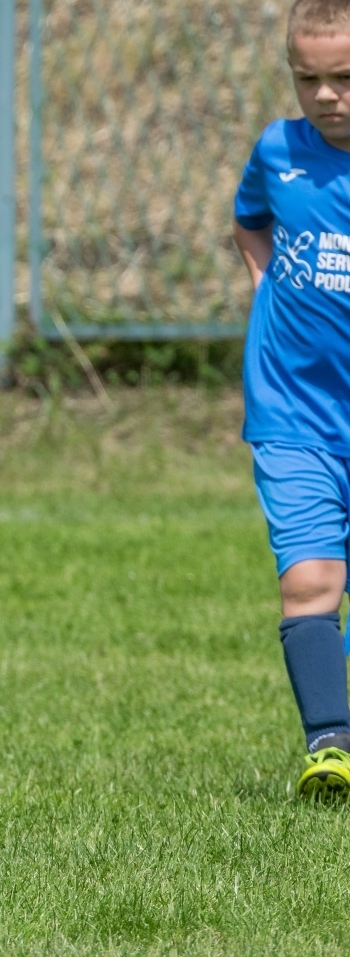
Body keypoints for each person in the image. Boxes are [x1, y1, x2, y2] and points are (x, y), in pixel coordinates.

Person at [232, 0, 350, 801]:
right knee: (309, 578)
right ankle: (330, 743)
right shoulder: (277, 151)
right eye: (308, 78)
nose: (327, 95)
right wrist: (264, 285)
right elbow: (250, 222)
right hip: (293, 415)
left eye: (345, 78)